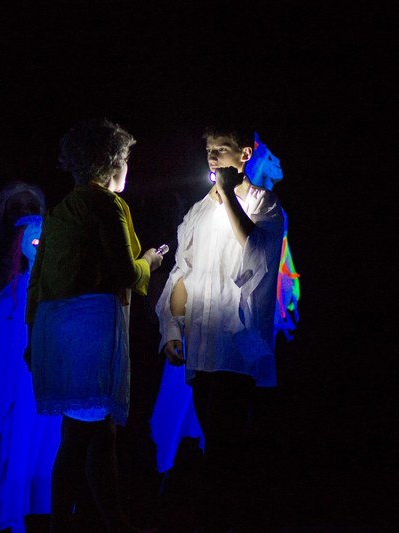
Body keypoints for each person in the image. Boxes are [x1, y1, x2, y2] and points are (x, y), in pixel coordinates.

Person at [26, 118, 163, 532]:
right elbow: (125, 271)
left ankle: (109, 521)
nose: (128, 168)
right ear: (111, 163)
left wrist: (34, 339)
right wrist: (150, 261)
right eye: (126, 160)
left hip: (58, 330)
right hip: (92, 331)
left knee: (92, 434)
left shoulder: (60, 210)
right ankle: (72, 524)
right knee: (85, 435)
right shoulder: (105, 204)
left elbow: (37, 282)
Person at [154, 124, 285, 532]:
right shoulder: (197, 211)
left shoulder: (264, 202)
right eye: (209, 149)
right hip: (201, 346)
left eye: (222, 148)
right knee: (212, 440)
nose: (212, 156)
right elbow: (182, 271)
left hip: (237, 348)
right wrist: (172, 330)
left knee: (228, 445)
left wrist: (228, 195)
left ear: (244, 154)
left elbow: (258, 256)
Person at [0, 214, 61, 532]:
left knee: (47, 446)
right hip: (19, 387)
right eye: (34, 236)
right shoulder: (7, 301)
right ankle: (11, 514)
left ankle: (43, 509)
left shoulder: (58, 292)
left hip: (50, 386)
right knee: (17, 443)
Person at [0, 181, 46, 295]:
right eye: (16, 208)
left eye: (32, 207)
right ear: (4, 213)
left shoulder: (49, 251)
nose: (25, 212)